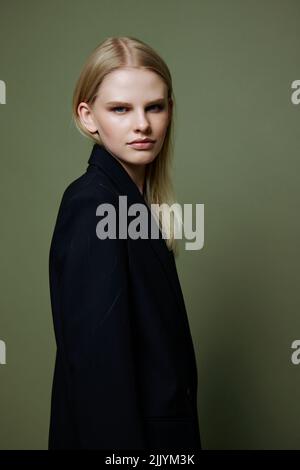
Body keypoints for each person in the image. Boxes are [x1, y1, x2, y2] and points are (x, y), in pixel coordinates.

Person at [48, 36, 202, 450]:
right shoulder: (93, 203)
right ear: (88, 116)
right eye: (120, 108)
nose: (142, 124)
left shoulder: (131, 204)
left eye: (155, 106)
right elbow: (100, 377)